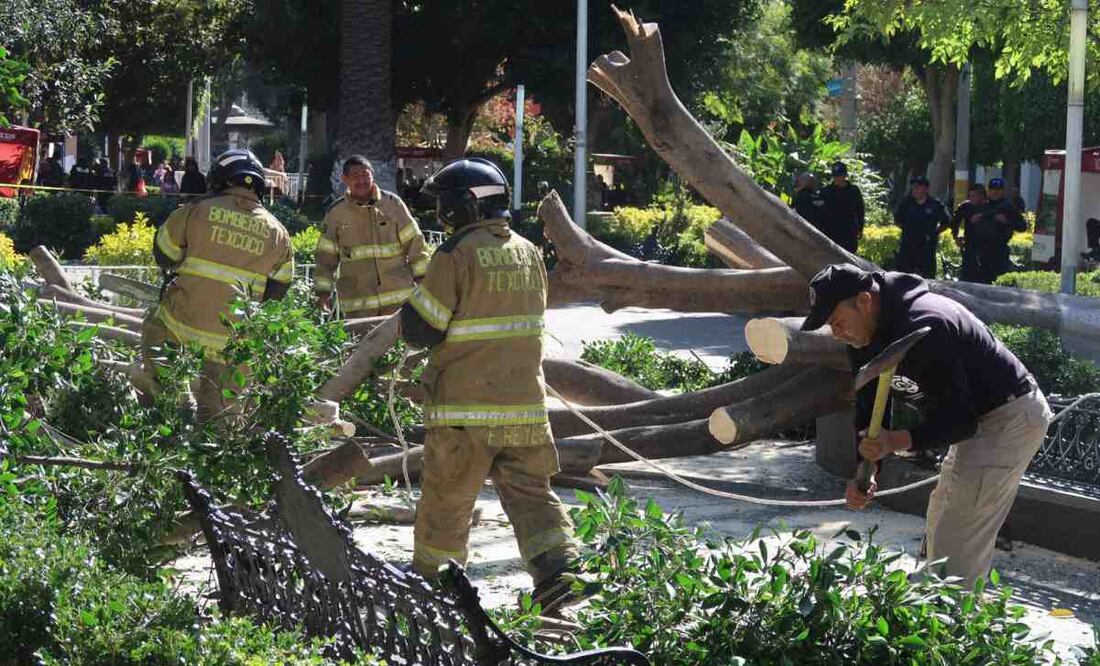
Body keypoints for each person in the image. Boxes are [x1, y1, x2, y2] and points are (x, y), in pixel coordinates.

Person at [400, 158, 580, 613]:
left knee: (447, 501)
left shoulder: (455, 254)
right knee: (533, 495)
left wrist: (411, 304)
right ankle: (560, 572)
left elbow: (423, 328)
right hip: (523, 407)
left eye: (444, 202)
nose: (440, 211)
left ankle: (432, 588)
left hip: (465, 411)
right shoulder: (528, 251)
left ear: (464, 206)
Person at [802, 263, 1051, 587]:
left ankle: (952, 618)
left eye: (837, 322)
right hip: (976, 418)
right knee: (941, 514)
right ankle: (938, 605)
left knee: (958, 534)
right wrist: (865, 470)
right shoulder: (863, 337)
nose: (836, 333)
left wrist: (897, 441)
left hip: (1008, 417)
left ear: (864, 301)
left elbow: (961, 421)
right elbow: (868, 408)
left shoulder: (929, 325)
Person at [142, 148, 294, 423]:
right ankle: (220, 439)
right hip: (235, 339)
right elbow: (279, 288)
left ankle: (177, 408)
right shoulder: (278, 232)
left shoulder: (195, 211)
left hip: (182, 326)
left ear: (219, 178)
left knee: (154, 327)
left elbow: (164, 254)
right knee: (223, 410)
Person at [313, 155, 430, 318]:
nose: (361, 180)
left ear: (372, 176)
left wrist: (423, 282)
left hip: (399, 305)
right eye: (355, 176)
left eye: (365, 175)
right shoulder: (336, 214)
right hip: (358, 307)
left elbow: (415, 244)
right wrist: (322, 293)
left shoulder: (393, 205)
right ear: (344, 179)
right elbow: (325, 259)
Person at [893, 175, 949, 278]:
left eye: (918, 187)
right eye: (913, 187)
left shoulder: (935, 205)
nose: (915, 190)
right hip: (908, 246)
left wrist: (934, 233)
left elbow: (945, 223)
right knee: (904, 276)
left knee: (927, 277)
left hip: (926, 247)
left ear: (926, 189)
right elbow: (897, 220)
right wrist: (909, 230)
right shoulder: (906, 203)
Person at [978, 178, 1027, 283]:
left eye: (998, 190)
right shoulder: (982, 206)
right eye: (992, 189)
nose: (995, 192)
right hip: (982, 249)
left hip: (1000, 249)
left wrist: (1007, 221)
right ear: (988, 191)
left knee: (999, 280)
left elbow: (1022, 227)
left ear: (1003, 191)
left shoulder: (1009, 207)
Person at [818, 162, 865, 252]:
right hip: (831, 231)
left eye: (840, 175)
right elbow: (820, 212)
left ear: (845, 175)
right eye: (836, 176)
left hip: (848, 231)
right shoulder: (826, 191)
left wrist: (860, 228)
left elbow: (860, 210)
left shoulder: (853, 191)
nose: (838, 178)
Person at [951, 183, 988, 282]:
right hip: (970, 243)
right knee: (967, 273)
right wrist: (956, 236)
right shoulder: (965, 207)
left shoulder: (989, 207)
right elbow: (954, 222)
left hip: (986, 245)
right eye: (970, 196)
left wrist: (982, 217)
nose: (971, 199)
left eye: (974, 196)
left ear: (982, 196)